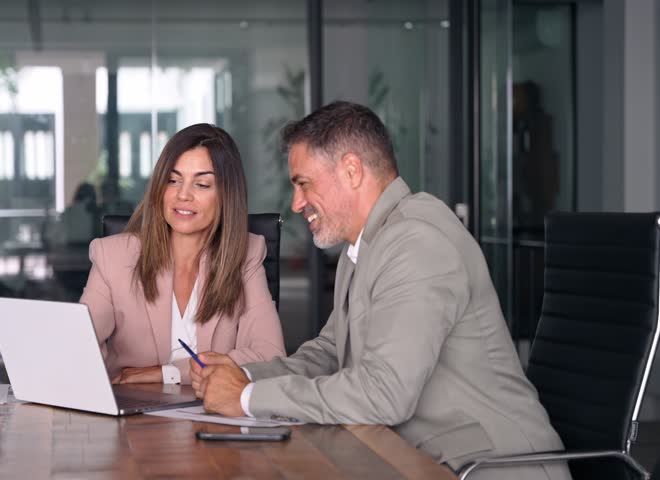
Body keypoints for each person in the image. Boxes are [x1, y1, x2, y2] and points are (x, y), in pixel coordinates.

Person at [190, 102, 570, 480]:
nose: (297, 203)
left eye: (304, 183)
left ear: (352, 170)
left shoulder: (417, 243)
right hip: (415, 458)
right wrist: (245, 375)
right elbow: (329, 354)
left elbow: (384, 394)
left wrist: (246, 399)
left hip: (488, 468)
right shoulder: (364, 246)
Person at [80, 123, 286, 385]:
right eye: (173, 180)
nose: (183, 195)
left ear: (226, 195)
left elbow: (270, 357)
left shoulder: (247, 254)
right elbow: (80, 348)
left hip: (215, 413)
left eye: (201, 184)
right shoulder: (112, 256)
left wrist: (168, 373)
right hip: (133, 415)